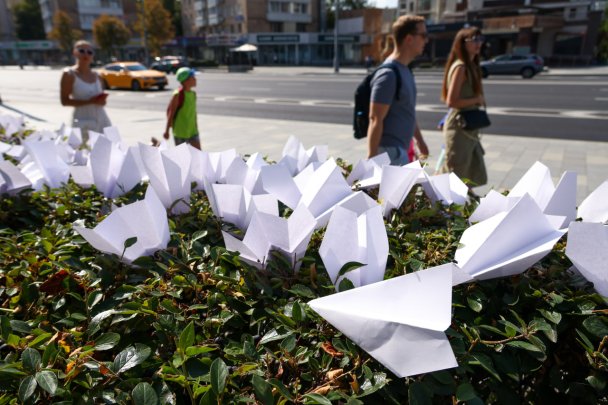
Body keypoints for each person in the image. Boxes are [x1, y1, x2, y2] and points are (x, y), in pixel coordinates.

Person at [367, 15, 429, 166]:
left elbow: (407, 111)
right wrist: (372, 158)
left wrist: (420, 141)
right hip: (388, 154)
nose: (426, 40)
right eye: (423, 35)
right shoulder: (388, 74)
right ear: (409, 39)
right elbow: (375, 118)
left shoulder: (405, 71)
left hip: (400, 151)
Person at [439, 27, 488, 188]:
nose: (478, 43)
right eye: (473, 40)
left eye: (480, 40)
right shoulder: (461, 68)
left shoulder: (470, 66)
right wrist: (477, 99)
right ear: (462, 43)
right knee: (455, 175)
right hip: (460, 127)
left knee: (469, 171)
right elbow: (451, 101)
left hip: (466, 127)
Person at [60, 40, 111, 137]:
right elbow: (64, 101)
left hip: (102, 119)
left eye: (89, 52)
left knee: (109, 149)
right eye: (82, 50)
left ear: (93, 56)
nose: (86, 54)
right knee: (84, 150)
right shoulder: (69, 74)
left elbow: (102, 101)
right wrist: (90, 101)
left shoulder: (97, 75)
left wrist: (102, 101)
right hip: (83, 120)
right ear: (75, 52)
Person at [163, 67, 201, 149]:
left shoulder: (193, 94)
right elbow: (171, 113)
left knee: (199, 157)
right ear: (186, 81)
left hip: (193, 132)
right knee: (182, 160)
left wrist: (196, 127)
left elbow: (193, 113)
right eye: (193, 77)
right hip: (180, 133)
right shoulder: (178, 95)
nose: (195, 79)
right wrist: (167, 131)